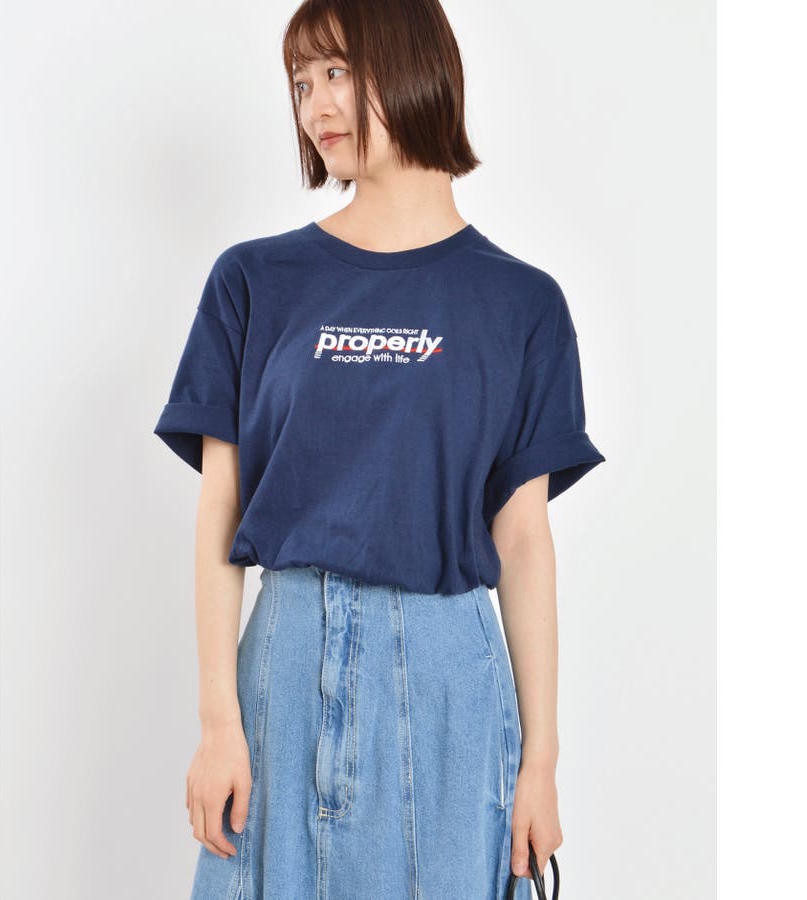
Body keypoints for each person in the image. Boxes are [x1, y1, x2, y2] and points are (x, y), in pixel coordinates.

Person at [153, 1, 605, 897]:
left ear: (413, 66)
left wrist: (541, 762)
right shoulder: (253, 281)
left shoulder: (523, 305)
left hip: (447, 683)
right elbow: (220, 509)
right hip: (283, 666)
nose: (315, 104)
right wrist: (217, 723)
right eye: (300, 81)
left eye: (339, 72)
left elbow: (522, 541)